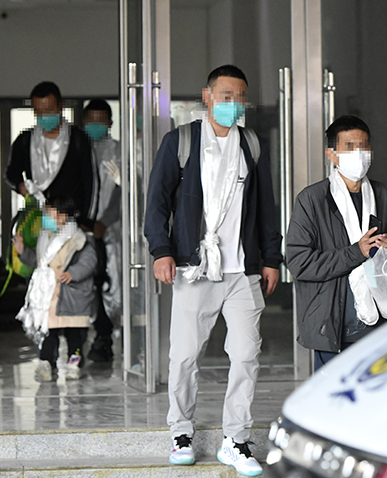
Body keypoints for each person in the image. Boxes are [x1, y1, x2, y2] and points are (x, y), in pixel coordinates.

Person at [144, 64, 282, 475]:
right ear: (207, 97)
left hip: (243, 271)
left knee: (246, 355)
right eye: (226, 96)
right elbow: (157, 202)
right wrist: (161, 250)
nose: (233, 104)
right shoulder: (181, 141)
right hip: (194, 268)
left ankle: (235, 440)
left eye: (240, 97)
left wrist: (271, 258)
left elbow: (267, 207)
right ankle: (180, 432)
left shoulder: (252, 145)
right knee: (185, 355)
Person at [286, 115, 387, 371]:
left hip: (379, 321)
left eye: (363, 146)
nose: (358, 154)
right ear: (332, 154)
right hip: (333, 323)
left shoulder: (383, 195)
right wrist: (357, 252)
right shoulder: (312, 200)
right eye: (350, 147)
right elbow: (299, 263)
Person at [14, 196, 97, 382]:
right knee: (48, 332)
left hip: (72, 296)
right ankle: (46, 364)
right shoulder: (45, 237)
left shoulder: (79, 238)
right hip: (50, 296)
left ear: (62, 215)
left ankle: (74, 364)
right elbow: (39, 263)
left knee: (74, 333)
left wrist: (72, 273)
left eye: (49, 213)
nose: (45, 217)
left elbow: (89, 261)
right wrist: (22, 251)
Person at [4, 81, 99, 231]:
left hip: (71, 221)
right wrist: (20, 186)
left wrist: (86, 221)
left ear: (61, 107)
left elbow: (90, 182)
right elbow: (10, 173)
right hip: (38, 219)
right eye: (38, 111)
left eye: (49, 110)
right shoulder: (25, 141)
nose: (44, 116)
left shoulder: (79, 140)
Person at [82, 100, 121, 362]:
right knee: (85, 283)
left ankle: (107, 336)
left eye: (101, 120)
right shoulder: (76, 150)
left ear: (110, 123)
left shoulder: (117, 151)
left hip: (111, 230)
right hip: (81, 229)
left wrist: (103, 222)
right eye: (91, 120)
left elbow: (123, 190)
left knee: (111, 282)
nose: (95, 125)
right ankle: (88, 338)